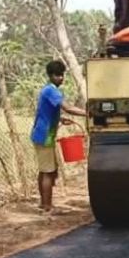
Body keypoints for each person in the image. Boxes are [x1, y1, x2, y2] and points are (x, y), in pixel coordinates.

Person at [30, 60, 86, 213]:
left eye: (62, 75)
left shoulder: (48, 90)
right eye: (57, 75)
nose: (60, 78)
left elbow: (46, 111)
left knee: (46, 170)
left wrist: (59, 119)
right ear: (50, 76)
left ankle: (44, 203)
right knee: (48, 171)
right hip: (45, 135)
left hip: (44, 133)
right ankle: (47, 206)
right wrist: (88, 113)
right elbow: (67, 108)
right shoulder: (52, 91)